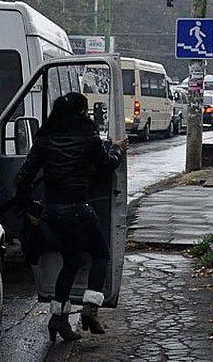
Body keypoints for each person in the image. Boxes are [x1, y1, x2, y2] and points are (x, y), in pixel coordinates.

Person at [14, 92, 127, 342]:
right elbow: (107, 165)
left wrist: (27, 204)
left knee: (72, 262)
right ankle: (90, 308)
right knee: (101, 254)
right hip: (78, 208)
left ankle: (58, 319)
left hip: (53, 211)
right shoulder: (88, 137)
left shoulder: (44, 138)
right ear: (81, 112)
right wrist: (117, 149)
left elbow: (24, 176)